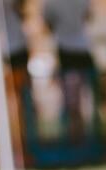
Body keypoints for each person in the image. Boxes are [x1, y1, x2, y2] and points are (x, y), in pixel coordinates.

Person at [42, 0, 95, 141]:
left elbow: (48, 23)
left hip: (67, 49)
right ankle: (78, 132)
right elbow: (88, 16)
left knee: (72, 96)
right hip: (81, 47)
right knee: (86, 93)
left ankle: (77, 133)